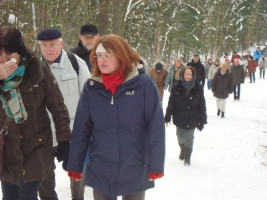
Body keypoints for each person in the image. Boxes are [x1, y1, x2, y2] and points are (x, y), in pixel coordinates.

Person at [67, 34, 165, 200]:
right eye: (98, 56)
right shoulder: (92, 87)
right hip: (101, 167)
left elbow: (155, 127)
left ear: (121, 56)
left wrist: (155, 164)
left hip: (135, 165)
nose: (102, 60)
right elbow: (81, 129)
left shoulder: (144, 84)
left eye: (108, 55)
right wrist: (75, 164)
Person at [0, 27, 71, 200]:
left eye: (9, 57)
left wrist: (64, 140)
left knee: (27, 195)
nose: (3, 61)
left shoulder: (37, 69)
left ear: (20, 52)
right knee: (10, 196)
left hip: (36, 147)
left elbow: (58, 107)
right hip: (7, 151)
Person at [37, 28, 90, 200]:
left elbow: (89, 99)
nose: (48, 49)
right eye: (44, 46)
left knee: (76, 174)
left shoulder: (76, 64)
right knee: (44, 179)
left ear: (61, 43)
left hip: (72, 132)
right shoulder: (34, 69)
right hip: (43, 135)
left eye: (52, 44)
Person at [165, 66, 207, 165]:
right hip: (179, 116)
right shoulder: (176, 86)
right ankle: (183, 149)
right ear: (183, 74)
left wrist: (203, 119)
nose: (187, 76)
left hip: (193, 117)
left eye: (190, 74)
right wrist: (167, 117)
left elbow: (202, 104)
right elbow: (171, 103)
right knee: (179, 136)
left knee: (189, 137)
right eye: (186, 74)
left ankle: (187, 157)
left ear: (193, 76)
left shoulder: (198, 87)